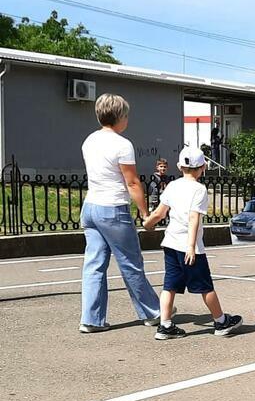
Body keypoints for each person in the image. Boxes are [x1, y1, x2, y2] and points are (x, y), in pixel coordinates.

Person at [79, 94, 162, 333]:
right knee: (131, 263)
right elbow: (133, 183)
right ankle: (152, 312)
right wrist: (145, 213)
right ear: (120, 117)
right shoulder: (122, 144)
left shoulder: (89, 140)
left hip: (91, 206)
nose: (127, 119)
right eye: (126, 115)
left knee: (94, 264)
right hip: (113, 208)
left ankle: (91, 319)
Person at [142, 147, 242, 339]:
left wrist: (148, 223)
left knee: (169, 286)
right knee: (205, 286)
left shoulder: (172, 185)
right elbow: (194, 218)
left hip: (170, 243)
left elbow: (160, 213)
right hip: (189, 247)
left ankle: (165, 325)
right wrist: (191, 246)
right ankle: (221, 321)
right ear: (203, 167)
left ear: (180, 166)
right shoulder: (199, 189)